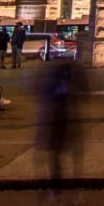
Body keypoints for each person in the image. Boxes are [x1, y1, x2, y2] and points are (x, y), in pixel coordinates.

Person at [38, 57, 79, 189]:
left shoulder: (54, 86)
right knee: (57, 153)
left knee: (55, 153)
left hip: (56, 122)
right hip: (57, 121)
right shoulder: (60, 87)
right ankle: (57, 181)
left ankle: (56, 181)